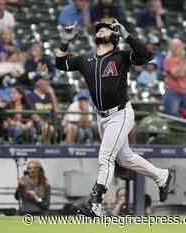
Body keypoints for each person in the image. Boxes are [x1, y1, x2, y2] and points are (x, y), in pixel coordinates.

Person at [55, 19, 172, 217]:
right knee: (124, 158)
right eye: (98, 28)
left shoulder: (121, 56)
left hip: (121, 113)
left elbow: (147, 56)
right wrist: (65, 42)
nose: (101, 30)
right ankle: (161, 176)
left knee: (105, 157)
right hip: (102, 118)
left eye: (106, 28)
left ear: (114, 35)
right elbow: (61, 64)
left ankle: (96, 204)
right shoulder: (86, 60)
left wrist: (127, 35)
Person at [163, 39, 186, 116]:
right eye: (175, 46)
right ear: (171, 47)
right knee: (172, 116)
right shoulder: (168, 59)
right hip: (172, 91)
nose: (177, 48)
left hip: (184, 91)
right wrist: (182, 61)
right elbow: (176, 74)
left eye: (179, 46)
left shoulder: (185, 60)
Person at [26, 76, 58, 144]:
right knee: (48, 128)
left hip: (51, 123)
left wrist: (52, 95)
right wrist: (43, 123)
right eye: (45, 80)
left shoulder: (50, 97)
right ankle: (40, 147)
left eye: (49, 81)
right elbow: (33, 114)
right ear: (38, 83)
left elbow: (56, 112)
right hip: (37, 124)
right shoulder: (30, 96)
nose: (48, 83)